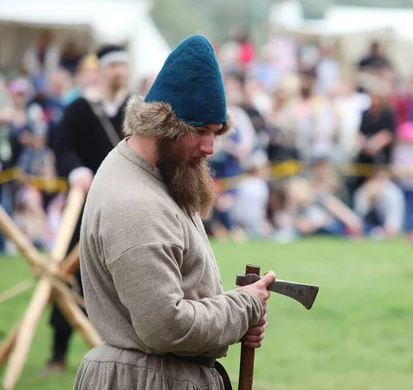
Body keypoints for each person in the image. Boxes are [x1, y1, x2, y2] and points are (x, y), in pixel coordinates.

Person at [73, 35, 276, 390]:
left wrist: (237, 317)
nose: (211, 147)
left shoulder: (159, 172)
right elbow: (168, 326)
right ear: (161, 127)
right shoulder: (136, 205)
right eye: (199, 131)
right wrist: (243, 307)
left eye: (216, 132)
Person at [44, 44, 131, 373]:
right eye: (113, 66)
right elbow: (62, 145)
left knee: (125, 276)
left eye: (124, 65)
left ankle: (124, 357)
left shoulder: (135, 107)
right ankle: (58, 352)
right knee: (67, 275)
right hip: (84, 205)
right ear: (101, 70)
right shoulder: (80, 107)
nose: (119, 72)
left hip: (124, 207)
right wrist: (77, 170)